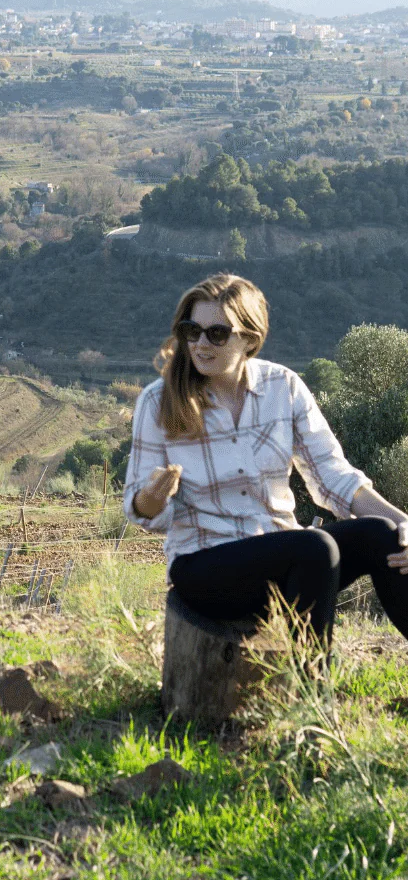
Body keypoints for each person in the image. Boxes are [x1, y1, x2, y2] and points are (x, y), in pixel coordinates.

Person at [123, 272, 408, 647]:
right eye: (192, 331)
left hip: (288, 557)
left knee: (386, 536)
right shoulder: (158, 401)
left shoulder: (284, 387)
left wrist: (405, 523)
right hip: (205, 568)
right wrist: (154, 498)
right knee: (314, 547)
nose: (201, 344)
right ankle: (311, 692)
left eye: (217, 334)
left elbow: (334, 476)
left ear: (250, 339)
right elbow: (137, 507)